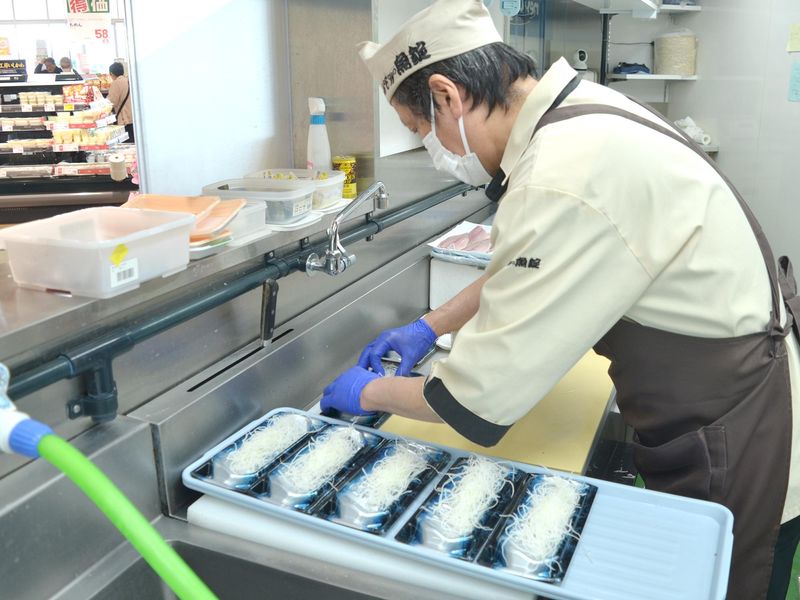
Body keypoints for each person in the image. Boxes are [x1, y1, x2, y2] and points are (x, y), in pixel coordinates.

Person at [320, 1, 800, 598]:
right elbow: (536, 264)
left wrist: (365, 392)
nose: (430, 147)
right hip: (726, 397)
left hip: (737, 432)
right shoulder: (578, 114)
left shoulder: (561, 170)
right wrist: (429, 325)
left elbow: (475, 401)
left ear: (448, 96)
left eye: (420, 129)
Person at [107, 62, 133, 143]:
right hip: (132, 118)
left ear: (111, 73)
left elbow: (112, 102)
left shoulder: (116, 83)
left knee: (126, 143)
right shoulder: (129, 81)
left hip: (124, 119)